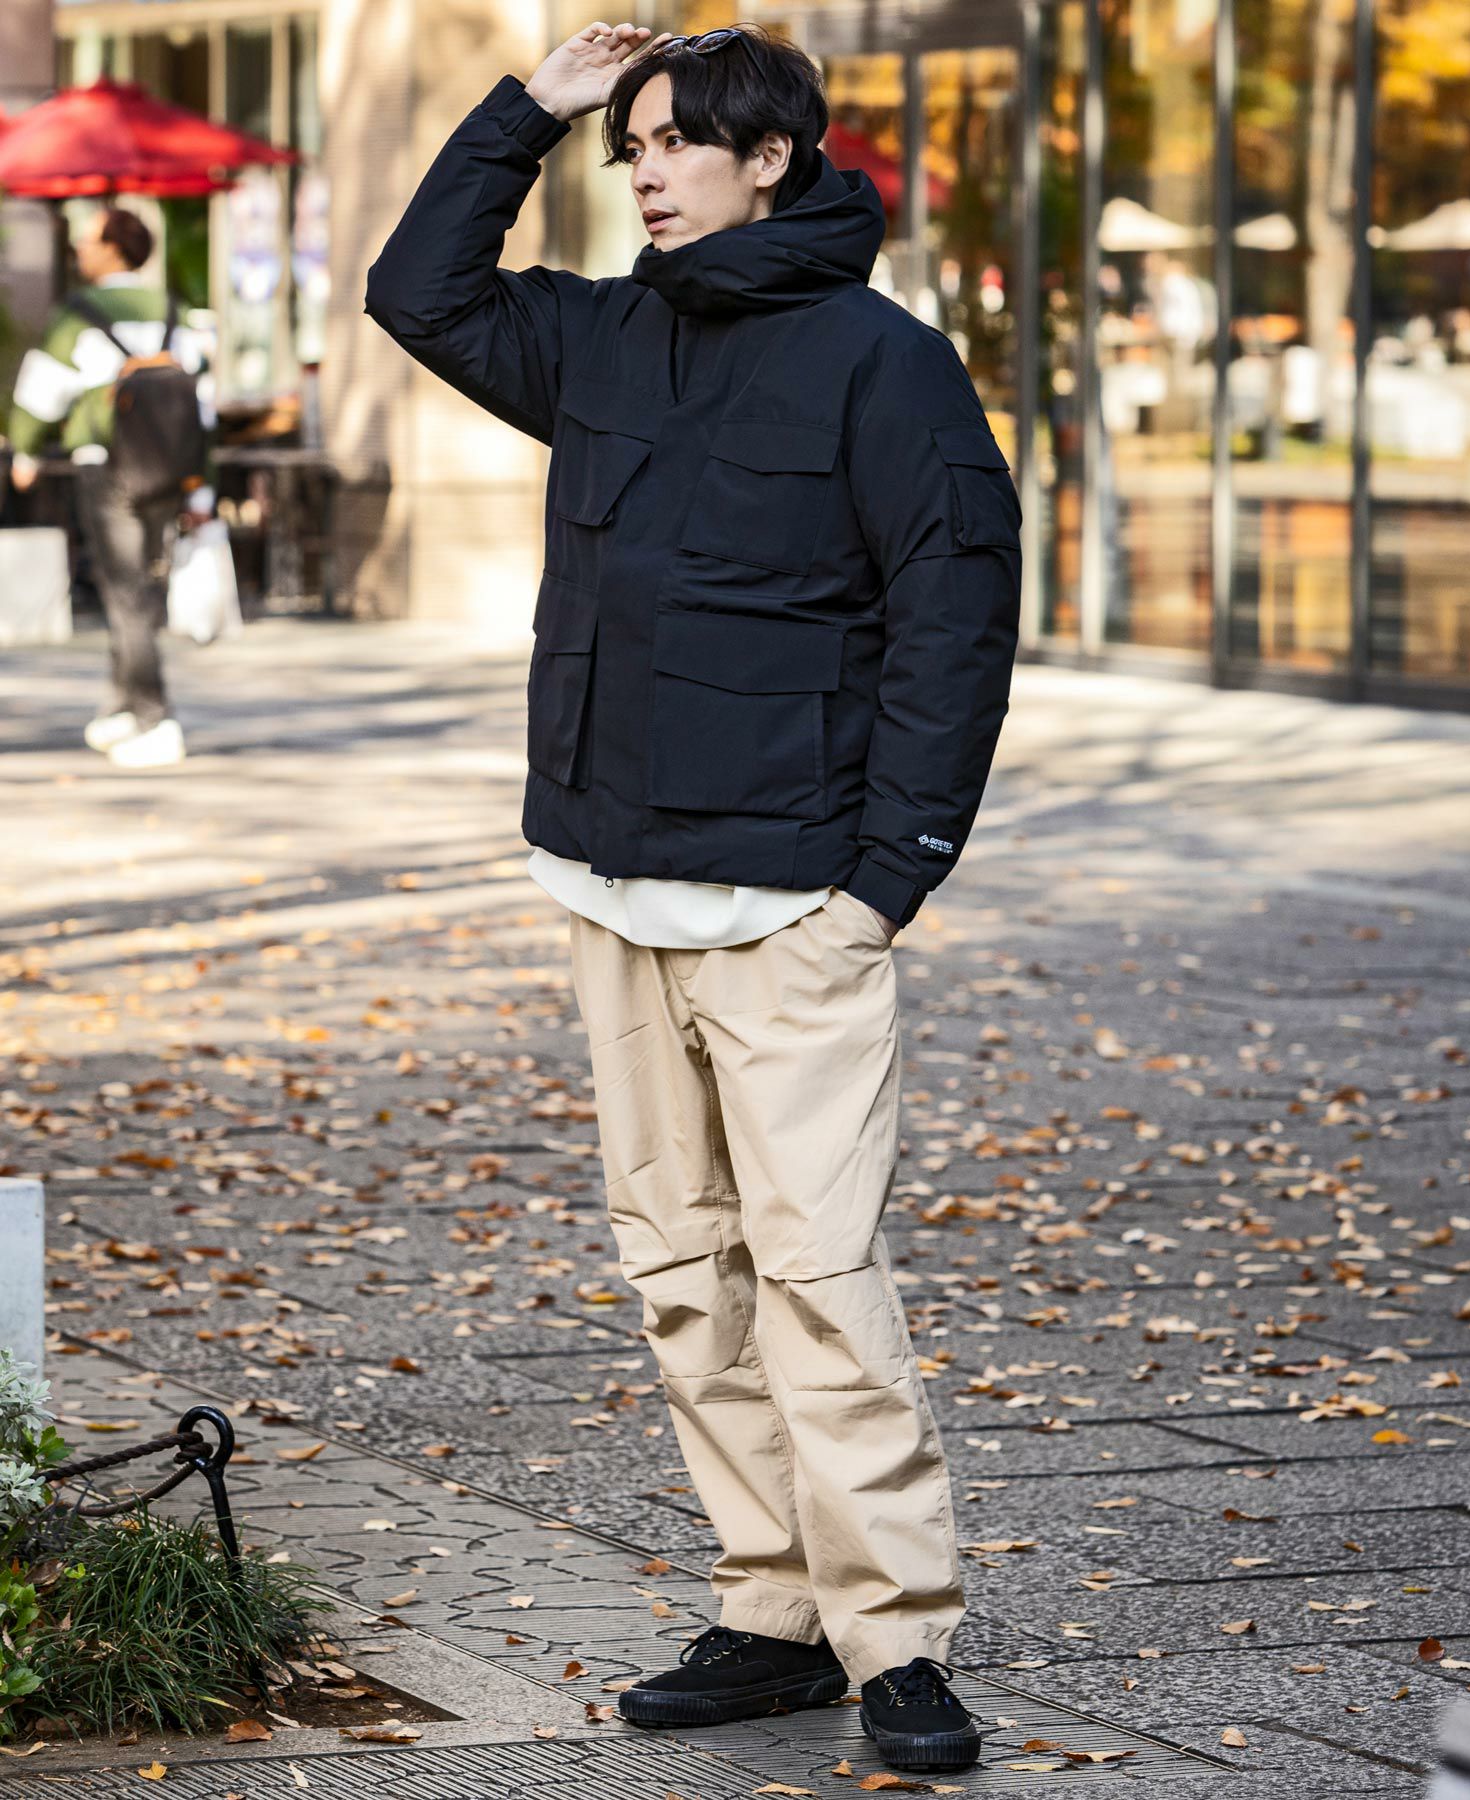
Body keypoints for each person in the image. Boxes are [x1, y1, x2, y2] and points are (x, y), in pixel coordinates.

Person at [365, 20, 1021, 1776]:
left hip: (796, 906)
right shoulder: (599, 335)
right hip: (611, 888)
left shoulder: (889, 367)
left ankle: (898, 1640)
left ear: (770, 159)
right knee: (683, 1276)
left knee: (817, 1276)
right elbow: (417, 292)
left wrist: (885, 884)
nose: (645, 172)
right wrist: (528, 111)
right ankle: (772, 1611)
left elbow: (955, 625)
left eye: (674, 144)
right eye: (633, 147)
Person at [7, 205, 207, 769]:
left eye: (88, 242)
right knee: (139, 587)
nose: (79, 252)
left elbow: (40, 391)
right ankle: (121, 706)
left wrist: (25, 449)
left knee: (126, 590)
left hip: (108, 464)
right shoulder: (172, 309)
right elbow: (203, 404)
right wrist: (204, 486)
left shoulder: (78, 313)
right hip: (169, 467)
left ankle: (154, 716)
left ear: (114, 248)